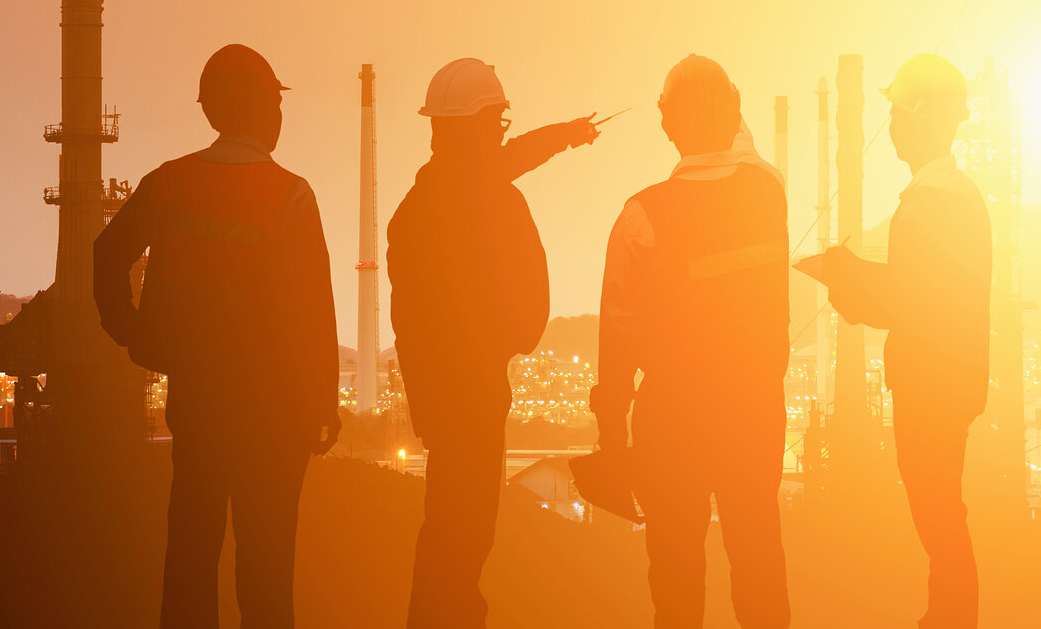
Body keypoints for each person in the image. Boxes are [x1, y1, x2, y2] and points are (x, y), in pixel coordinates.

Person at [94, 44, 340, 629]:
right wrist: (322, 402)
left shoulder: (168, 183)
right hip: (275, 419)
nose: (281, 115)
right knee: (266, 575)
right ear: (252, 107)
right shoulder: (291, 195)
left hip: (199, 407)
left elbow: (107, 255)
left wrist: (134, 333)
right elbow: (315, 313)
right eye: (275, 102)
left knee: (189, 562)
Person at [387, 57, 600, 628]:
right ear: (478, 126)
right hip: (477, 396)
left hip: (441, 403)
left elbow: (406, 324)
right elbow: (530, 297)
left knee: (446, 529)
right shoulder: (494, 200)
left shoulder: (412, 215)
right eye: (496, 122)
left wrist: (565, 136)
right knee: (468, 531)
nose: (500, 133)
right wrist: (514, 338)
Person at [590, 54, 791, 629]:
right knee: (760, 575)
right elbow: (746, 153)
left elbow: (618, 337)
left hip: (671, 423)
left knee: (675, 585)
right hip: (752, 415)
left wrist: (611, 439)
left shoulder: (640, 216)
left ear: (666, 125)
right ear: (733, 116)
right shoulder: (767, 194)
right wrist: (727, 106)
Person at [817, 53, 991, 629]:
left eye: (895, 114)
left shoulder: (928, 204)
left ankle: (949, 618)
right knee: (942, 511)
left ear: (920, 118)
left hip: (930, 385)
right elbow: (929, 290)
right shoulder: (956, 198)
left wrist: (845, 279)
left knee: (937, 513)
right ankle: (946, 613)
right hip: (951, 379)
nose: (889, 126)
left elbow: (909, 300)